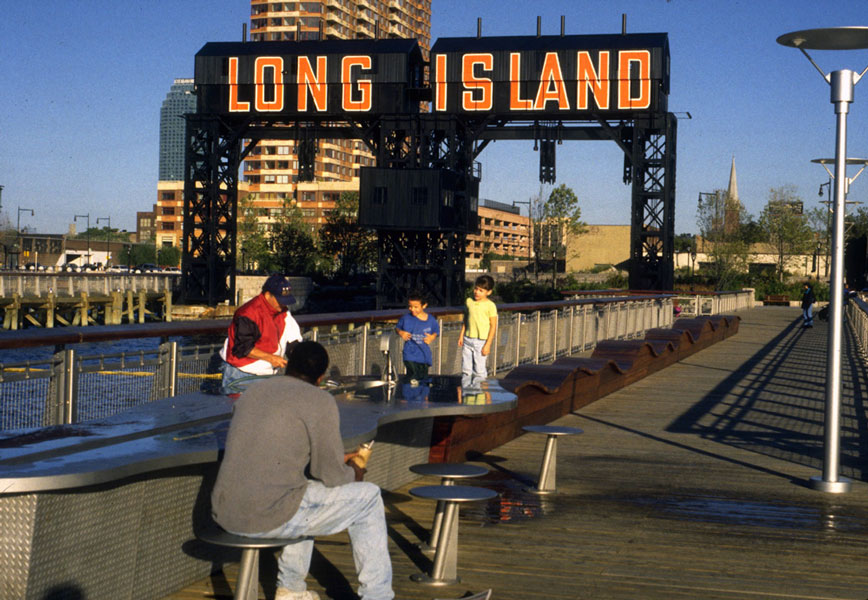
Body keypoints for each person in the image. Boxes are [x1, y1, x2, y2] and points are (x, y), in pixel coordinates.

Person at [211, 341, 394, 600]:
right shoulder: (320, 400)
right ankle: (378, 597)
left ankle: (291, 590)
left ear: (288, 366)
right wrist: (354, 472)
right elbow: (330, 475)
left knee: (304, 496)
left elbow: (278, 451)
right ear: (321, 377)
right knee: (370, 498)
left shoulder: (254, 391)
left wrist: (338, 459)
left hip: (224, 512)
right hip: (263, 517)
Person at [219, 274, 302, 395]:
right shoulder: (248, 313)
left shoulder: (283, 312)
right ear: (268, 295)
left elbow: (292, 340)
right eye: (280, 301)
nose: (283, 305)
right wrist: (271, 358)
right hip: (242, 374)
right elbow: (243, 348)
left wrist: (298, 358)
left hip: (266, 374)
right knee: (240, 407)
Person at [458, 275, 498, 386]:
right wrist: (461, 335)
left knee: (479, 370)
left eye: (481, 290)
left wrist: (488, 344)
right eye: (476, 289)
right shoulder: (469, 301)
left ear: (488, 292)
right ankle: (467, 392)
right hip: (468, 339)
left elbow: (493, 326)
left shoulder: (490, 305)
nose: (477, 292)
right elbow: (466, 320)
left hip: (481, 342)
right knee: (466, 369)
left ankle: (479, 393)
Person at [395, 290, 439, 383]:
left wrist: (432, 337)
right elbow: (397, 328)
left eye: (416, 307)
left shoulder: (431, 320)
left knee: (423, 379)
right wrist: (401, 332)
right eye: (410, 306)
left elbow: (436, 331)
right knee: (413, 376)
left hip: (424, 356)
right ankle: (407, 389)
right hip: (409, 354)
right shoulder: (406, 318)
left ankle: (422, 390)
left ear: (424, 306)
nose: (412, 309)